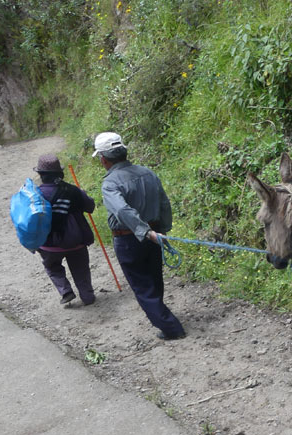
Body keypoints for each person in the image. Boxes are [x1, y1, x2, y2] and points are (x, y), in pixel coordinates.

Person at [92, 131, 186, 340]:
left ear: (104, 159)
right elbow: (164, 203)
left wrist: (144, 232)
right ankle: (163, 318)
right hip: (155, 236)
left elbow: (122, 211)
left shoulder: (110, 183)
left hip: (128, 240)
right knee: (154, 279)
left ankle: (171, 328)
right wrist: (162, 231)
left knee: (142, 287)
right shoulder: (147, 173)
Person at [33, 153, 96, 306]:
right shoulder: (73, 190)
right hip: (77, 241)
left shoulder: (36, 195)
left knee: (52, 267)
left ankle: (65, 291)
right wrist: (83, 195)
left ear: (41, 175)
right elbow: (90, 207)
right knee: (81, 269)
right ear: (60, 173)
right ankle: (87, 296)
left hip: (49, 245)